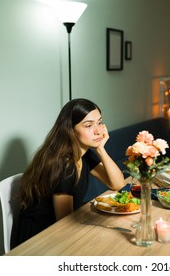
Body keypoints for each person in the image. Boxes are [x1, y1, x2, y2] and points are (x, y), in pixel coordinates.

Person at [12, 98, 125, 248]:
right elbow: (64, 223)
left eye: (99, 122)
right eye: (88, 125)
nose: (98, 130)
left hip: (64, 229)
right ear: (70, 129)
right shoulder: (63, 165)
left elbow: (118, 184)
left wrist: (101, 149)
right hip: (39, 239)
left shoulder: (83, 154)